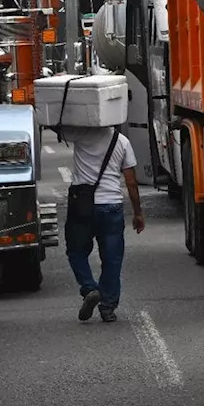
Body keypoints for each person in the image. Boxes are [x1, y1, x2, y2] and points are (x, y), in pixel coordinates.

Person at [63, 126, 145, 323]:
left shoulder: (80, 134)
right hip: (111, 206)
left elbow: (58, 127)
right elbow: (131, 181)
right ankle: (107, 308)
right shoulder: (122, 141)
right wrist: (137, 213)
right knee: (112, 260)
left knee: (76, 251)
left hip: (83, 205)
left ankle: (90, 288)